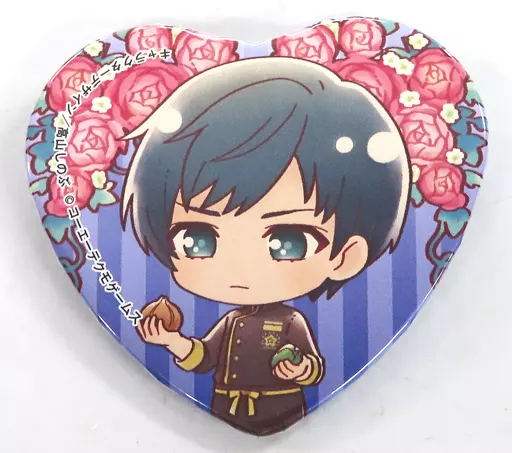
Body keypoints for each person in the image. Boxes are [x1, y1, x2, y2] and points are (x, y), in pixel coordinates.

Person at [121, 57, 410, 435]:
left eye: (287, 242)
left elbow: (313, 367)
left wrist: (301, 369)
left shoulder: (291, 322)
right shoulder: (231, 322)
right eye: (198, 238)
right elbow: (204, 358)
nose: (239, 267)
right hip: (223, 402)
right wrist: (172, 340)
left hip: (281, 403)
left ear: (344, 256)